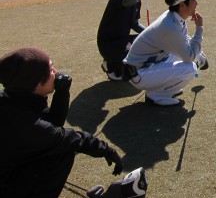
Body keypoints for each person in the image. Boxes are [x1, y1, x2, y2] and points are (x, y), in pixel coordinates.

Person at [0, 47, 124, 198]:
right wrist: (108, 151)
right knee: (62, 153)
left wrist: (62, 92)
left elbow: (51, 124)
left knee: (53, 149)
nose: (56, 72)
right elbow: (68, 138)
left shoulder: (12, 98)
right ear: (37, 83)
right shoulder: (25, 124)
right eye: (51, 69)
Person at [124, 0, 209, 106]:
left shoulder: (174, 17)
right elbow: (189, 56)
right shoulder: (170, 26)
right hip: (138, 74)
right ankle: (156, 95)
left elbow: (184, 42)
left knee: (185, 57)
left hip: (147, 65)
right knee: (190, 68)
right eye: (193, 0)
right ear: (182, 5)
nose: (196, 3)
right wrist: (199, 28)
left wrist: (198, 54)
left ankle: (164, 89)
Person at [97, 0, 150, 81]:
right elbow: (130, 0)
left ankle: (117, 65)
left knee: (148, 41)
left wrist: (150, 32)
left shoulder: (137, 2)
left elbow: (135, 24)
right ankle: (112, 66)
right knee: (135, 55)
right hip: (109, 45)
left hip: (122, 41)